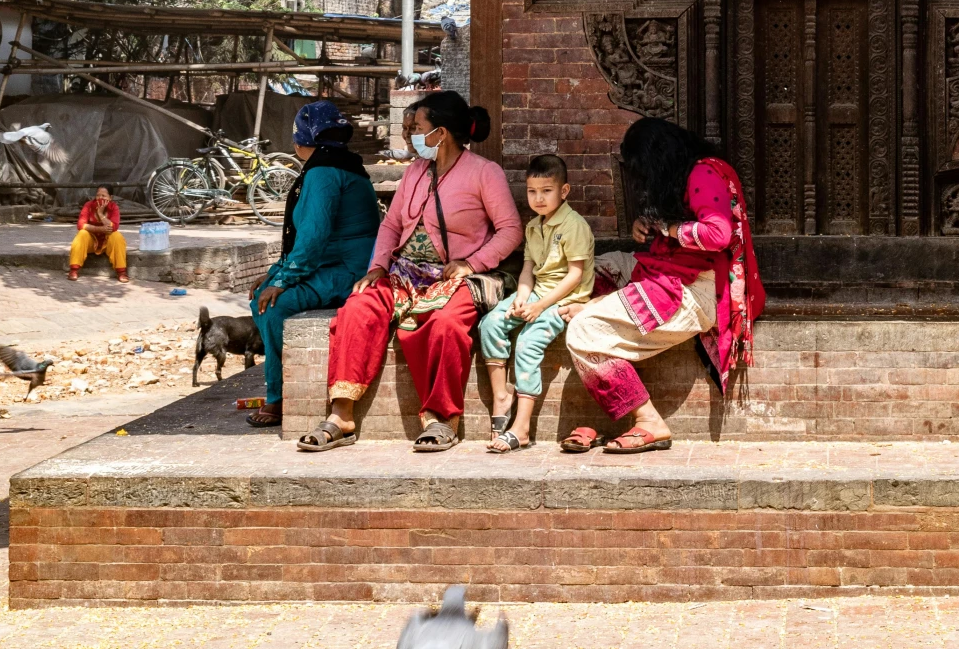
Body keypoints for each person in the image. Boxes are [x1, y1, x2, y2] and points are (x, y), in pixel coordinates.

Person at [298, 89, 521, 456]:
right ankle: (341, 417)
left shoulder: (484, 172)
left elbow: (511, 230)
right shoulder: (416, 171)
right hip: (403, 275)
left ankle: (440, 419)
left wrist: (471, 264)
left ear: (441, 133)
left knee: (447, 325)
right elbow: (391, 226)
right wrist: (377, 267)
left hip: (456, 278)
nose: (411, 135)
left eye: (417, 127)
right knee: (356, 309)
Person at [563, 117, 765, 454]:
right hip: (666, 268)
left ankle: (649, 421)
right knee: (594, 268)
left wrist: (670, 230)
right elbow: (676, 220)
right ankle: (604, 314)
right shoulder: (685, 173)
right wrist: (647, 226)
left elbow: (718, 234)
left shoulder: (704, 173)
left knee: (582, 331)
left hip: (698, 287)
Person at [246, 100, 381, 429]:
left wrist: (283, 280)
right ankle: (279, 387)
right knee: (264, 291)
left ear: (300, 141)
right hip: (342, 265)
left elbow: (314, 237)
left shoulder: (322, 171)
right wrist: (277, 272)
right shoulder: (342, 164)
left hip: (348, 272)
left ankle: (278, 398)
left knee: (272, 305)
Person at [478, 152, 594, 453]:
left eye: (546, 191)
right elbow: (528, 270)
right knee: (491, 323)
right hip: (536, 295)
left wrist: (540, 307)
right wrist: (521, 299)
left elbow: (575, 276)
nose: (538, 198)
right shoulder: (533, 227)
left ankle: (522, 427)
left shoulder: (574, 225)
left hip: (564, 300)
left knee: (528, 342)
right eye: (532, 191)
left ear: (563, 191)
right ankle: (502, 397)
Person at [68, 188, 129, 282]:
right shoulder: (88, 205)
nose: (100, 198)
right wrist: (99, 229)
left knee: (117, 236)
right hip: (91, 241)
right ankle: (74, 270)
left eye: (103, 196)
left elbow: (113, 227)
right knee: (81, 234)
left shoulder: (114, 207)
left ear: (110, 197)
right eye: (98, 195)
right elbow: (81, 225)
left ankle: (121, 272)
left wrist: (100, 214)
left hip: (107, 242)